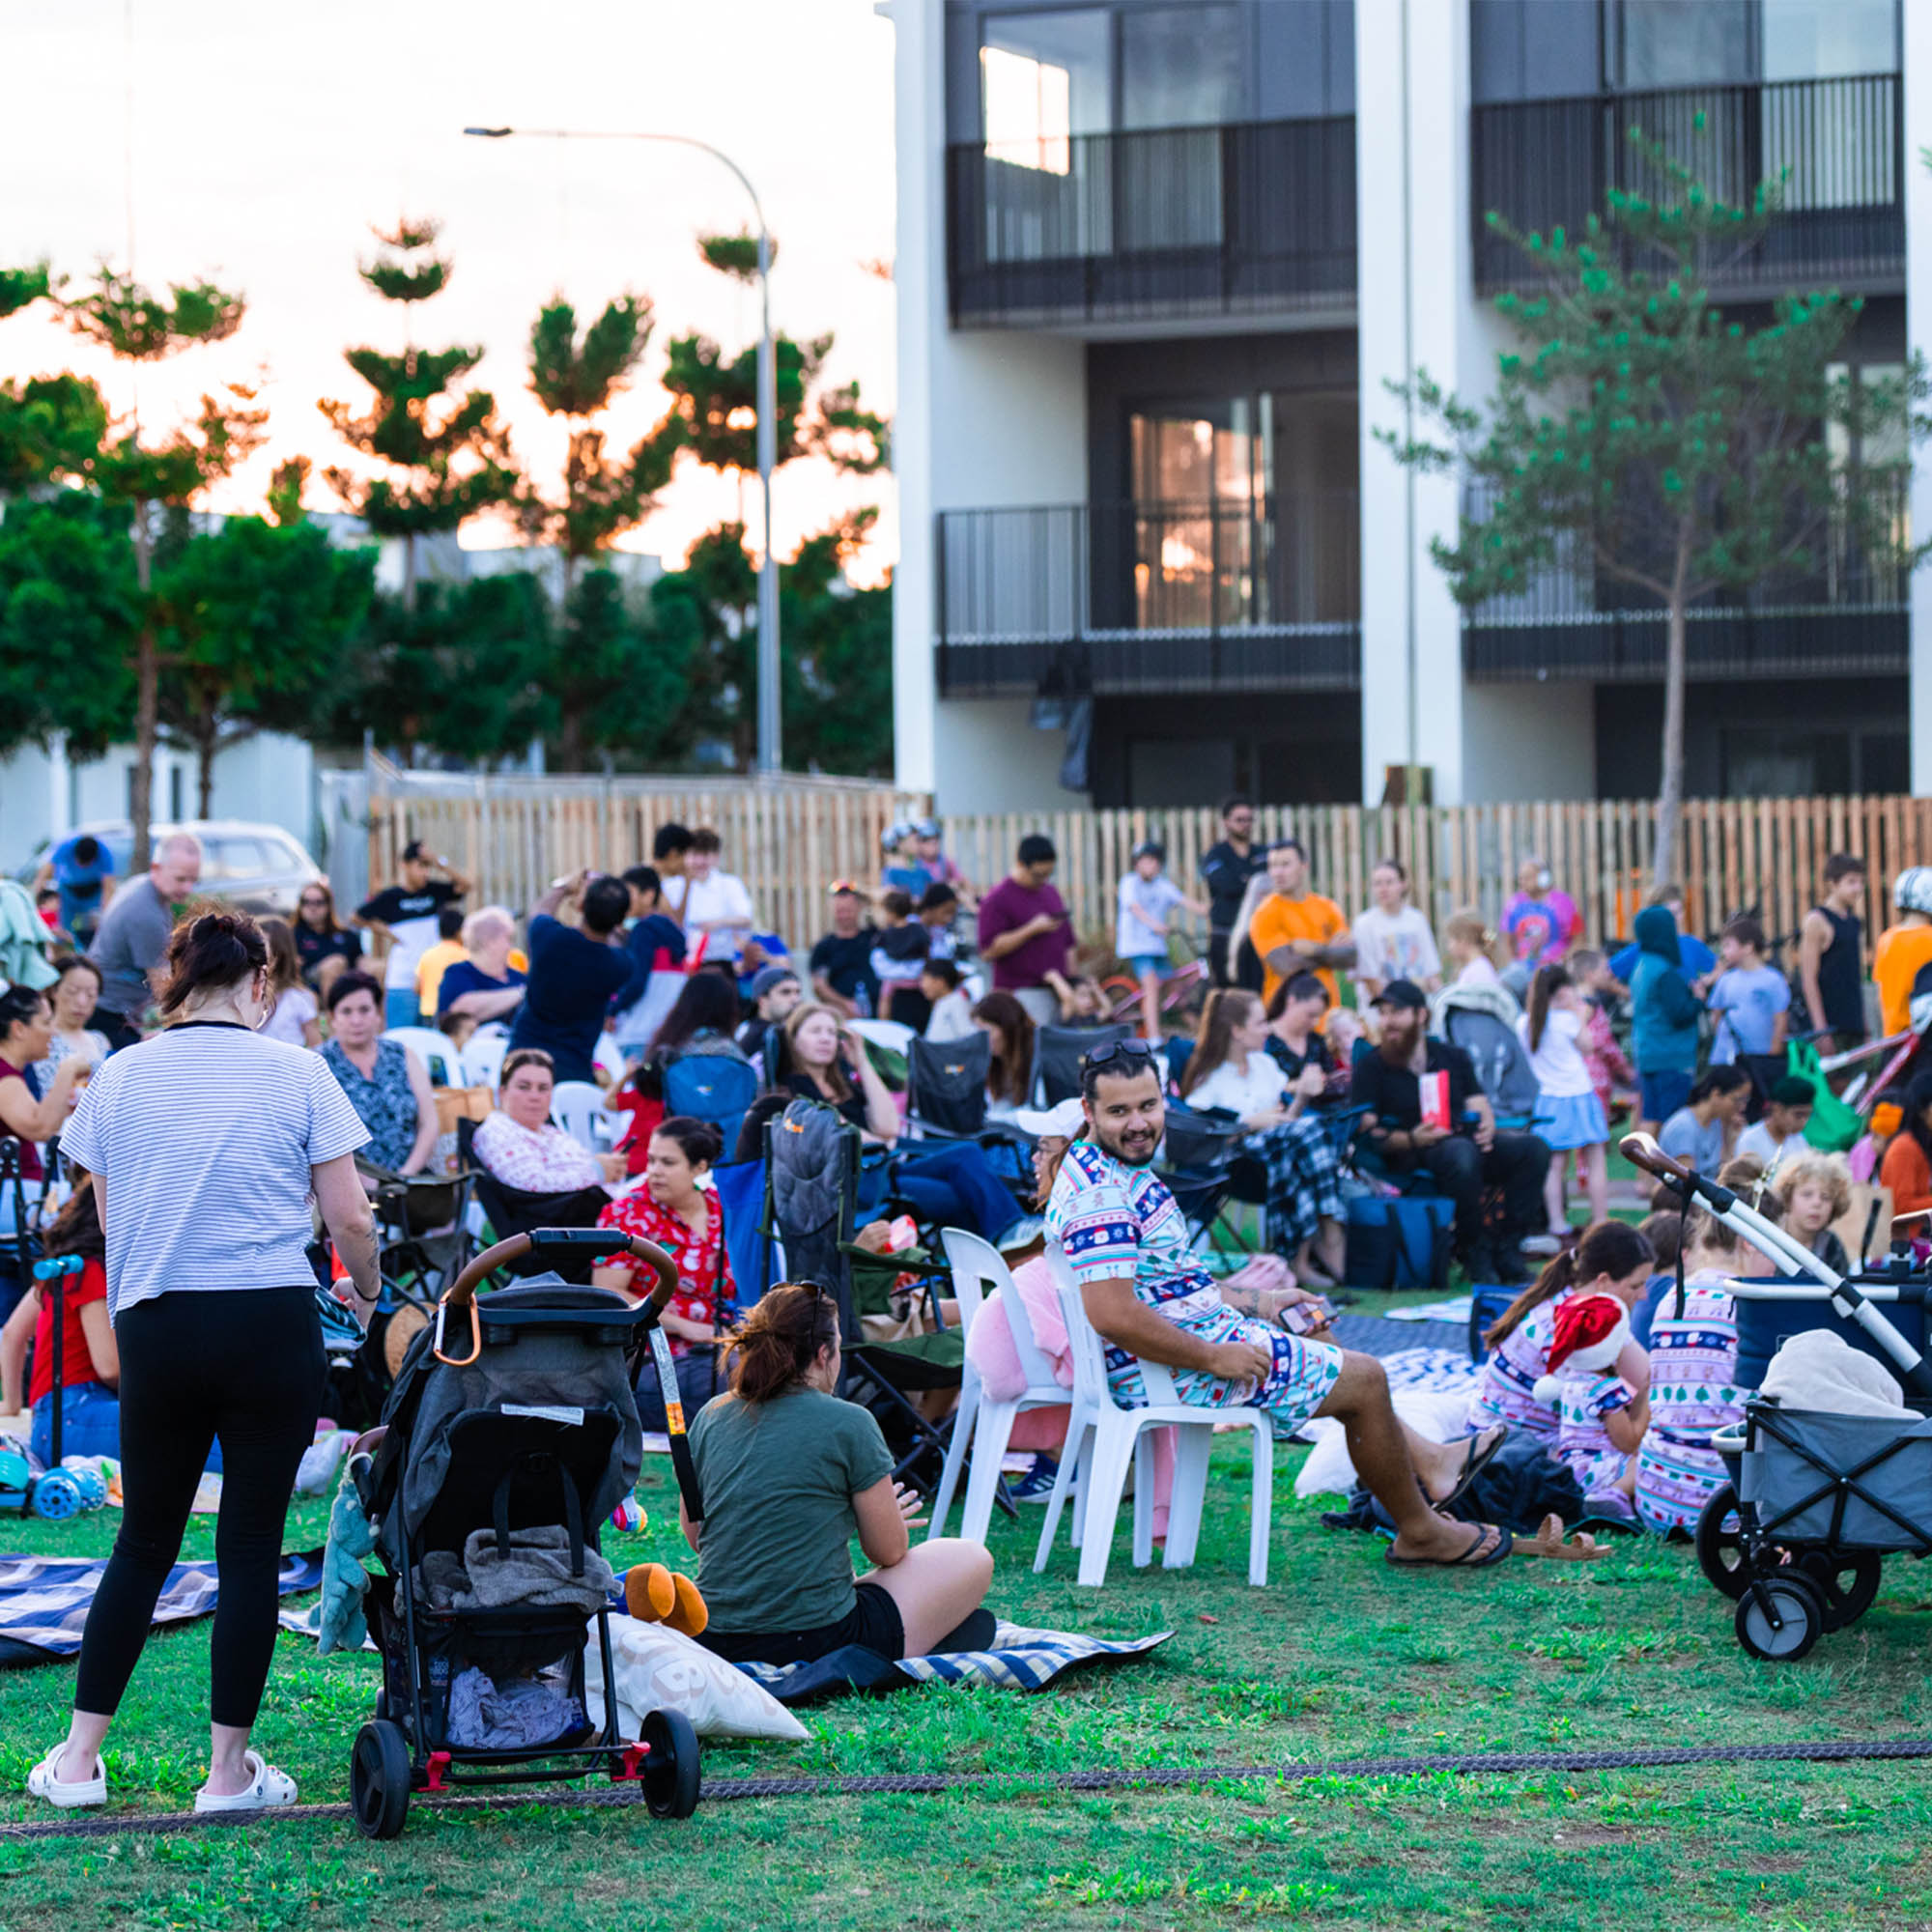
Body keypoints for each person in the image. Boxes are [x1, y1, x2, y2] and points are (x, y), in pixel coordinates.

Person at [29, 909, 379, 1814]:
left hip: (158, 1321)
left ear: (173, 979)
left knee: (143, 1540)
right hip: (269, 1321)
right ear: (262, 983)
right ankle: (227, 1775)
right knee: (251, 1548)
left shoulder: (121, 1072)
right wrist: (367, 1287)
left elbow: (114, 1220)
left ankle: (77, 1761)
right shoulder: (301, 1071)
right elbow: (351, 1218)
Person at [1047, 1039, 1512, 1569]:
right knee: (1366, 1379)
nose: (1138, 1124)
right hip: (1162, 1371)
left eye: (1148, 1106)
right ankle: (1420, 1531)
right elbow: (1112, 1314)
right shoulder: (1101, 1195)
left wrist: (1264, 1300)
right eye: (1119, 1112)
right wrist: (1213, 1357)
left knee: (1306, 1319)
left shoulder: (1111, 1168)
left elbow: (1173, 1283)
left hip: (1180, 1347)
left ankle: (1430, 1462)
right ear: (1088, 1111)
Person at [684, 1283, 995, 1666]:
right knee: (971, 1557)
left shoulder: (710, 1416)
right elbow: (887, 1552)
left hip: (715, 1636)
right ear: (823, 1354)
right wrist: (885, 1519)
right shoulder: (849, 1422)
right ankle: (916, 1637)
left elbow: (698, 1537)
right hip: (817, 1640)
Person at [1351, 979, 1550, 1284]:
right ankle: (1474, 1250)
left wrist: (1486, 1127)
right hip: (1410, 1152)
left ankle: (1508, 1247)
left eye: (1397, 1012)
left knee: (1533, 1149)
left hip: (1464, 1143)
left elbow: (1479, 1103)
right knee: (1461, 1153)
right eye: (1384, 1013)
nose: (1388, 1021)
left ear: (1421, 1015)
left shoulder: (1451, 1056)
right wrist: (1412, 1138)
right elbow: (1368, 1133)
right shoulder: (1371, 1066)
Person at [781, 1003, 1029, 1244]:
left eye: (832, 1032)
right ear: (793, 1040)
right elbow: (840, 1131)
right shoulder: (794, 1092)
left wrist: (863, 1062)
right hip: (859, 1182)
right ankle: (1010, 1241)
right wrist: (878, 1142)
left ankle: (1009, 1238)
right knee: (959, 1191)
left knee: (967, 1154)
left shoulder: (844, 1085)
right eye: (815, 1031)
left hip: (885, 1166)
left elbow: (889, 1127)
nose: (825, 1038)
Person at [1634, 1158, 1777, 1535]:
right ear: (1751, 1243)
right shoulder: (1751, 1307)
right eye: (1776, 1251)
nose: (1777, 1267)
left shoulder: (1672, 1297)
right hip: (1727, 1504)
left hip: (1657, 1498)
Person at [1179, 989, 1348, 1285]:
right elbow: (1199, 1140)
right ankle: (1327, 1233)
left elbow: (1288, 1123)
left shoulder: (1264, 1066)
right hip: (1238, 1167)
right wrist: (1248, 1124)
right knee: (1306, 1133)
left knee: (1304, 1134)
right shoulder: (1211, 1078)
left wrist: (1302, 1096)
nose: (1268, 1029)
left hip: (1281, 1159)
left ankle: (1300, 1258)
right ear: (1237, 1031)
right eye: (1260, 1023)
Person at [592, 1117, 735, 1432]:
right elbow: (608, 1293)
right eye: (652, 1160)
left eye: (668, 1163)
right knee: (743, 1379)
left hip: (721, 1340)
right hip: (653, 1352)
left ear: (699, 1168)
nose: (654, 1171)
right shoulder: (628, 1213)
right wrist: (687, 1327)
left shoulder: (721, 1207)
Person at [1466, 1220, 1655, 1439]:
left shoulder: (1571, 1303)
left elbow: (1650, 1378)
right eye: (1635, 1285)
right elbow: (1627, 1426)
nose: (1643, 1295)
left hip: (1490, 1430)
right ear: (1603, 1280)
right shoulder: (1579, 1326)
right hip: (1512, 1446)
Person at [17, 1170, 120, 1465]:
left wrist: (12, 1404)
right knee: (195, 1429)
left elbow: (12, 1333)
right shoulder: (89, 1271)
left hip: (55, 1418)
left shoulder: (66, 1269)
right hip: (74, 1414)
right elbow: (110, 1368)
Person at [506, 870, 642, 1088]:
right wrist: (610, 910)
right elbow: (617, 940)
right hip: (574, 1068)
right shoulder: (619, 966)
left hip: (523, 1057)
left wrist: (564, 887)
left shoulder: (550, 939)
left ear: (581, 907)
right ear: (622, 918)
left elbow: (539, 912)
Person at [608, 971, 749, 1178]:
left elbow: (620, 1101)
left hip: (659, 1151)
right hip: (717, 1156)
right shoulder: (728, 1052)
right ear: (728, 1007)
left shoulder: (667, 1045)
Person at [1536, 1292, 1649, 1517]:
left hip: (1571, 1468)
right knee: (1646, 1463)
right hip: (1597, 1470)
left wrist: (1643, 1393)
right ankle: (1614, 1495)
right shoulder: (1604, 1389)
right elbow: (1628, 1442)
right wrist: (1649, 1397)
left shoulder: (1571, 1380)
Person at [87, 832, 203, 1049]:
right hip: (111, 1013)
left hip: (108, 1003)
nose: (188, 888)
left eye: (193, 880)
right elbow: (166, 991)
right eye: (181, 879)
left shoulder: (141, 885)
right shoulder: (146, 914)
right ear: (156, 868)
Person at [319, 972, 439, 1176]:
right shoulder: (319, 1063)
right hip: (347, 1181)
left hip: (410, 1177)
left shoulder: (402, 1055)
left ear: (378, 1013)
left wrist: (404, 1176)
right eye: (346, 1012)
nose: (356, 1020)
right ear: (332, 1018)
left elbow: (429, 1122)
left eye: (364, 1010)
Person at [1520, 964, 1609, 1233]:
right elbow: (1589, 1046)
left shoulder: (1524, 1023)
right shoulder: (1567, 1021)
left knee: (1554, 1166)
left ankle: (1557, 1222)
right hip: (1579, 1095)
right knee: (1595, 1160)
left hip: (1547, 1099)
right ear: (1563, 992)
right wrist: (1580, 1017)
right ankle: (1600, 1220)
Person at [473, 1049, 626, 1197]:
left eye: (543, 1088)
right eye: (524, 1087)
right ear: (502, 1092)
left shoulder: (549, 1131)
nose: (535, 1096)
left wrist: (610, 1168)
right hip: (575, 1211)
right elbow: (531, 1184)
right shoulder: (498, 1131)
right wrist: (597, 1172)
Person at [354, 840, 469, 1030]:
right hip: (403, 979)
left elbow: (465, 885)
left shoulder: (433, 891)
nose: (425, 872)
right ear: (404, 865)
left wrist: (438, 862)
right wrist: (388, 934)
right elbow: (357, 917)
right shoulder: (391, 897)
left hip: (431, 978)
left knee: (432, 1037)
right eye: (420, 866)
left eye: (427, 867)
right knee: (401, 1035)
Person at [977, 835, 1075, 1030]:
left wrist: (1073, 981)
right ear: (1021, 864)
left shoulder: (1050, 892)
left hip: (1059, 990)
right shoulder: (998, 899)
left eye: (1049, 874)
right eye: (1038, 875)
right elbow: (987, 950)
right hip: (1023, 993)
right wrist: (1031, 929)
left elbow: (1068, 941)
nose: (1044, 880)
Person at [1247, 839, 1352, 1017]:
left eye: (1285, 864)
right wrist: (1329, 952)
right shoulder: (1265, 913)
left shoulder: (1326, 907)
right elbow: (1286, 967)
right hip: (1285, 1018)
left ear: (1304, 866)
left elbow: (1350, 957)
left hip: (1328, 1016)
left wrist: (1312, 949)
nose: (1277, 872)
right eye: (1273, 866)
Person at [1116, 840, 1207, 1043]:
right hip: (1136, 946)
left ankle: (1199, 1033)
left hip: (1157, 947)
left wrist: (1208, 910)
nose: (1152, 865)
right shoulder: (1129, 883)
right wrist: (1153, 924)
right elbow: (1135, 908)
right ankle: (1154, 1038)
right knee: (1152, 987)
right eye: (1147, 861)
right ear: (1137, 863)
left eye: (1155, 861)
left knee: (1177, 990)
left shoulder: (1162, 885)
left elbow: (1186, 902)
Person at [1628, 904, 1703, 1134]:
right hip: (1671, 1056)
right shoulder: (1664, 971)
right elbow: (1680, 1014)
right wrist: (1698, 999)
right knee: (1671, 1122)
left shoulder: (1642, 965)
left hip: (1648, 1053)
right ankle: (1666, 1159)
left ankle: (1644, 1159)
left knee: (1651, 1115)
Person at [1796, 854, 1868, 1050]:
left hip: (1853, 1024)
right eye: (1851, 882)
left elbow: (1855, 978)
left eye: (1861, 882)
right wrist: (1821, 1029)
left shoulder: (1854, 923)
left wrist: (1864, 1025)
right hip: (1830, 1025)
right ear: (1832, 884)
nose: (1858, 888)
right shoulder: (1817, 920)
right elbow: (1808, 979)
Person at [1351, 858, 1441, 1003]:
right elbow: (1368, 977)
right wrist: (1393, 1008)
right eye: (1377, 883)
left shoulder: (1417, 919)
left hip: (1418, 1005)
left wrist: (1440, 1001)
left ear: (1403, 884)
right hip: (1382, 1008)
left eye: (1389, 882)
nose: (1383, 889)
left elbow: (1431, 971)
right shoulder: (1364, 924)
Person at [1200, 796, 1264, 989]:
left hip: (1257, 934)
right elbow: (1226, 886)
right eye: (1239, 820)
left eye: (1249, 819)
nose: (1245, 825)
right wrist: (1251, 882)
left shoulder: (1261, 852)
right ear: (1226, 822)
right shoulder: (1216, 854)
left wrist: (1242, 880)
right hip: (1225, 934)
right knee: (1228, 993)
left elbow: (1268, 884)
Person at [1567, 948, 1635, 1128]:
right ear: (1589, 974)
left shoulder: (1576, 1002)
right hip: (1593, 1081)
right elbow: (1602, 1042)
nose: (1609, 974)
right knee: (1595, 1135)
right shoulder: (1587, 1005)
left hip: (1588, 1079)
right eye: (1604, 969)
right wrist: (1624, 1069)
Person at [1707, 916, 1788, 1066]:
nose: (1723, 952)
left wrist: (1774, 1051)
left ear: (1748, 947)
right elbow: (1716, 1014)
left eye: (1727, 945)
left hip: (1760, 1057)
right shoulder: (1725, 979)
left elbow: (1780, 1019)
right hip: (1726, 1059)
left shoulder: (1772, 980)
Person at [674, 829, 756, 969]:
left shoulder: (730, 884)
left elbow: (746, 918)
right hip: (682, 964)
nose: (699, 861)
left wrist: (716, 923)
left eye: (705, 854)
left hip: (721, 962)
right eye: (694, 854)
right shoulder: (672, 886)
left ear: (716, 857)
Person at [1609, 884, 1716, 990]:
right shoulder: (1642, 949)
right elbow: (1606, 975)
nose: (1675, 918)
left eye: (1679, 911)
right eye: (1669, 914)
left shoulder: (1691, 944)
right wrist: (1630, 994)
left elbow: (1719, 968)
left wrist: (1705, 982)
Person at [31, 955, 111, 1095]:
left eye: (90, 995)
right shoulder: (43, 1038)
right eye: (72, 991)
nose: (81, 1001)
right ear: (53, 991)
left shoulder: (100, 1040)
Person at [436, 905, 528, 1025]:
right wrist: (522, 993)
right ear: (488, 941)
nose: (510, 946)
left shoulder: (518, 977)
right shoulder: (458, 973)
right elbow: (462, 1012)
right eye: (508, 938)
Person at [1657, 1065, 1752, 1177]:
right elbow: (1687, 1181)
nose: (1743, 1107)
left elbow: (1724, 1174)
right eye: (1738, 1100)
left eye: (1745, 1100)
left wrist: (1731, 1142)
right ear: (1716, 1094)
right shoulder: (1683, 1127)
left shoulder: (1717, 1123)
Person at [1873, 867, 1932, 1041]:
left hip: (1893, 1038)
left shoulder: (1886, 938)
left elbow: (1879, 990)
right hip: (1922, 1039)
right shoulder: (1928, 938)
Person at [1264, 973, 1345, 1101]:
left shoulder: (1316, 1042)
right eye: (1310, 1015)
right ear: (1291, 1001)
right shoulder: (1263, 1039)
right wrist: (1296, 1086)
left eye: (1319, 1017)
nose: (1315, 1022)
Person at [809, 882, 880, 1020]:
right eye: (840, 911)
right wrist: (845, 1004)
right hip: (844, 1016)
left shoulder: (875, 937)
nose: (845, 915)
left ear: (859, 908)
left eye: (849, 910)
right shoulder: (823, 946)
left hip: (880, 1014)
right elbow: (819, 986)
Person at [36, 832, 116, 949]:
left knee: (93, 929)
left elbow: (108, 887)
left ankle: (89, 951)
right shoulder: (65, 847)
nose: (82, 867)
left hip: (93, 893)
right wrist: (37, 900)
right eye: (80, 862)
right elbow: (44, 874)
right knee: (63, 929)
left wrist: (107, 913)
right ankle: (64, 952)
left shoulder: (104, 853)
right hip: (68, 892)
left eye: (86, 864)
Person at [1500, 856, 1581, 971]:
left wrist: (1565, 961)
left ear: (1544, 878)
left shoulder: (1565, 902)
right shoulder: (1513, 904)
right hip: (1524, 970)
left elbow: (1579, 938)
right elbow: (1507, 941)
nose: (1523, 882)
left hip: (1557, 969)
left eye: (1528, 877)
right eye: (1521, 878)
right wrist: (1514, 965)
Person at [1780, 1151, 1853, 1276]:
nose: (1817, 1203)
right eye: (1807, 1194)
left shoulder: (1832, 1246)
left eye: (1825, 1197)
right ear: (1788, 1197)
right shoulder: (1771, 1239)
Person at [971, 991, 1036, 1124]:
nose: (982, 1039)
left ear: (1008, 1027)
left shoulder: (1037, 1058)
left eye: (987, 1032)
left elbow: (1038, 1112)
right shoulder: (994, 1063)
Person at [869, 890, 931, 1030]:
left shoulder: (886, 934)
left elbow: (878, 955)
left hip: (894, 984)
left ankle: (883, 1028)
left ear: (891, 912)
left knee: (885, 998)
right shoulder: (919, 930)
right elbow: (927, 951)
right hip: (918, 982)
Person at [255, 919, 320, 1049]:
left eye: (262, 947)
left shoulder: (301, 997)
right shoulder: (242, 995)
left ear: (280, 952)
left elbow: (316, 1047)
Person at [291, 881, 362, 999]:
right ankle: (332, 1010)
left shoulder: (346, 935)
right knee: (335, 963)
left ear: (328, 905)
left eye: (318, 902)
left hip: (347, 978)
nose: (312, 907)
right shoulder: (292, 934)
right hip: (307, 982)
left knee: (378, 967)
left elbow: (359, 959)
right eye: (306, 902)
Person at [1880, 1072, 1932, 1217]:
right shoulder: (1904, 1148)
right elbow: (1902, 1207)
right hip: (1907, 1231)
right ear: (1923, 1110)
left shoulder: (1922, 1144)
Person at [1736, 1076, 1816, 1171]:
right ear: (1777, 1109)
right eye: (1798, 1115)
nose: (1804, 1121)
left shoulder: (1799, 1140)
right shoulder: (1749, 1141)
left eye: (1808, 1115)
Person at [412, 907, 468, 1023]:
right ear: (459, 932)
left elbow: (416, 988)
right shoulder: (466, 956)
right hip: (453, 1014)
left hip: (428, 1011)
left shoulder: (428, 955)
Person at [737, 964, 803, 1061]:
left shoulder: (794, 1030)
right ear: (762, 1000)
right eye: (785, 992)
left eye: (798, 992)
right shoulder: (753, 1037)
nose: (795, 1000)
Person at [1440, 909, 1509, 991]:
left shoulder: (1479, 971)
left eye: (1450, 941)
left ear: (1463, 939)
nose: (1448, 947)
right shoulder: (1475, 967)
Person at [921, 958, 974, 1042]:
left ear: (940, 982)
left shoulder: (957, 1002)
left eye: (923, 979)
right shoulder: (942, 1002)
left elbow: (968, 1036)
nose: (922, 986)